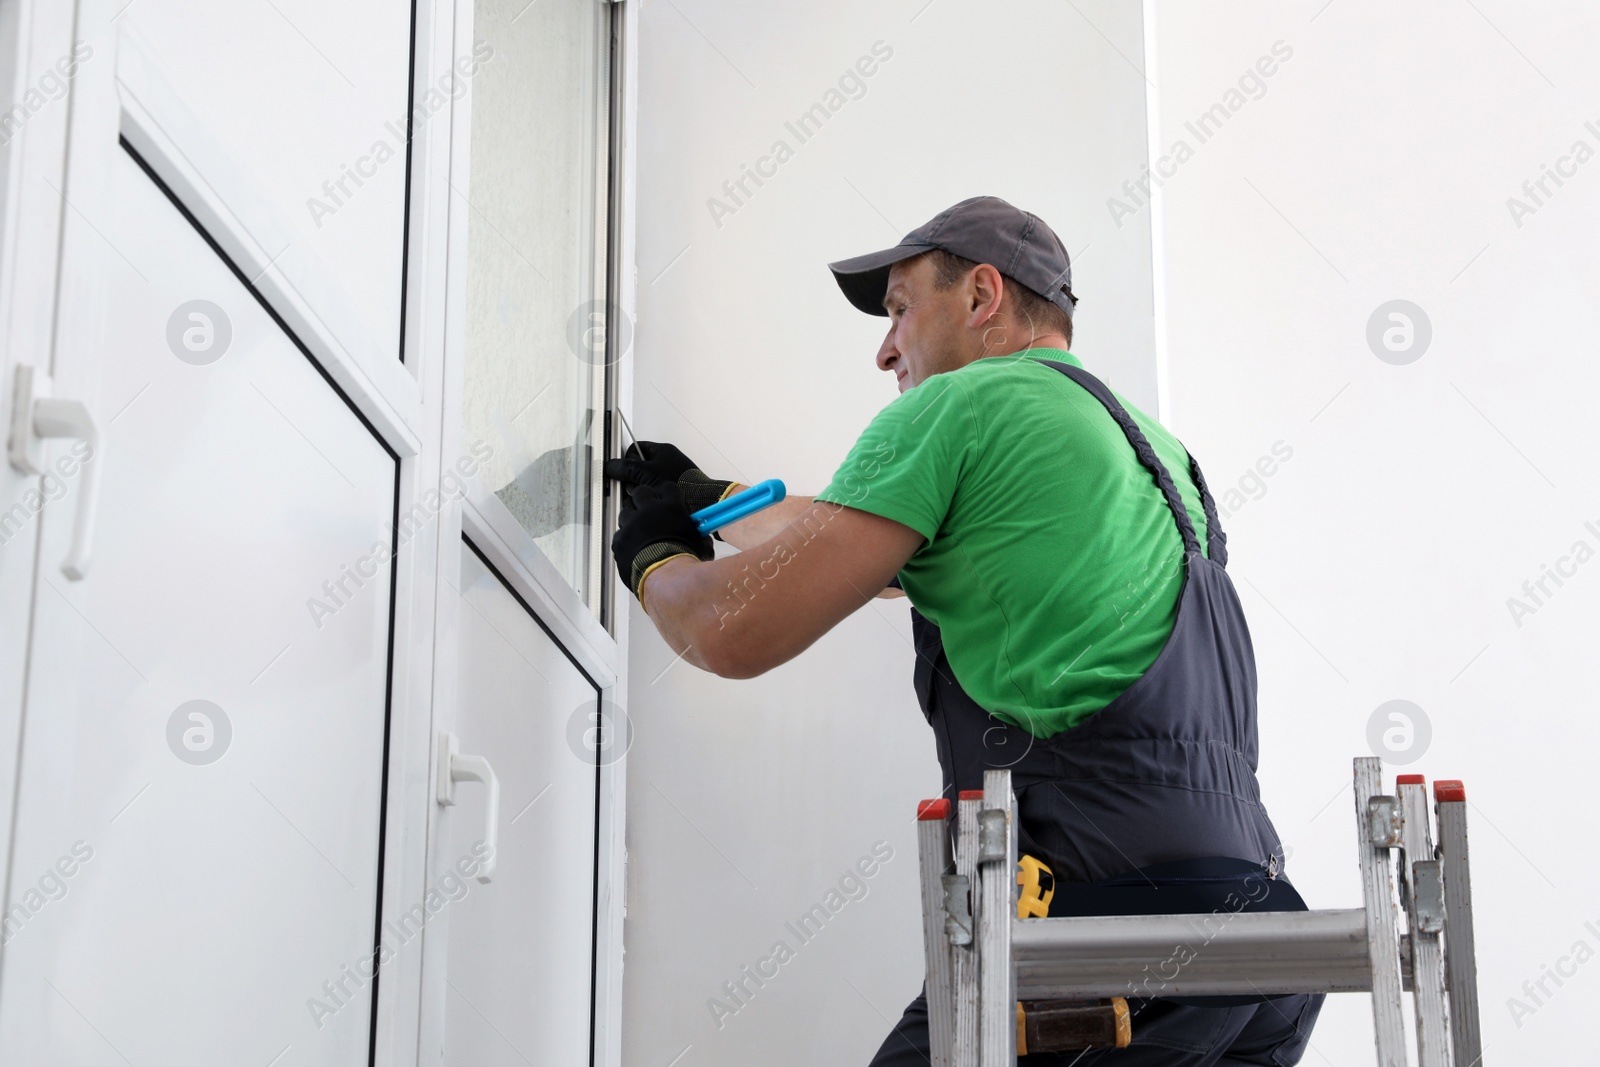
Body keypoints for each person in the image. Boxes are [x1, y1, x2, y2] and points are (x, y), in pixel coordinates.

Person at [606, 196, 1322, 1064]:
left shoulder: (961, 409)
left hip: (1111, 928)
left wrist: (655, 558)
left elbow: (729, 629)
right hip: (1261, 943)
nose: (884, 348)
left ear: (981, 296)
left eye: (901, 307)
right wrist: (716, 501)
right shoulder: (1147, 452)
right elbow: (856, 548)